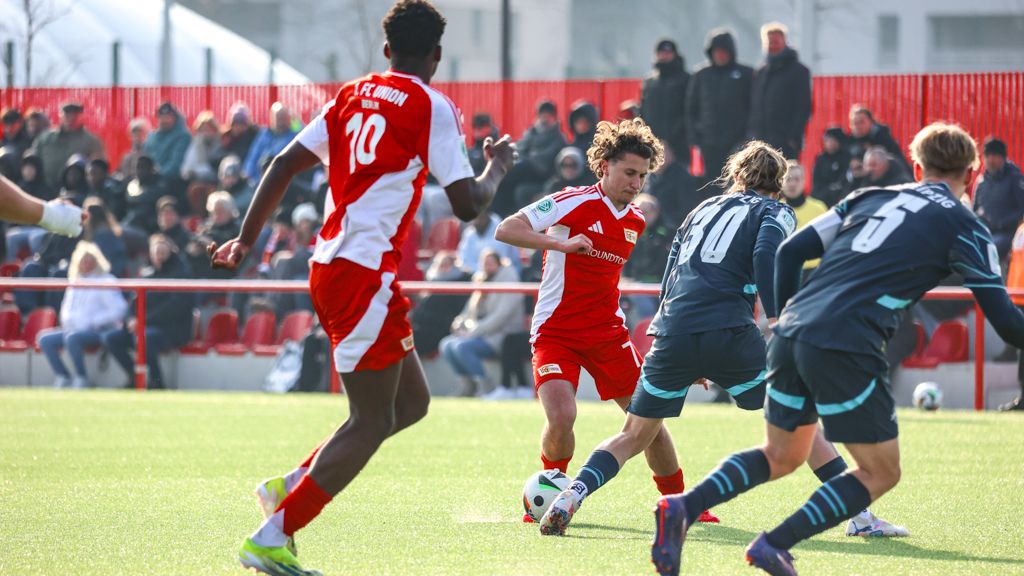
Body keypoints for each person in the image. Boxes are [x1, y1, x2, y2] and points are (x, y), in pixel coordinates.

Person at [208, 2, 514, 574]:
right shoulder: (431, 105)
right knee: (370, 421)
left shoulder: (352, 94)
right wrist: (497, 167)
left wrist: (244, 241)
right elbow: (467, 203)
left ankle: (290, 487)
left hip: (335, 266)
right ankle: (273, 534)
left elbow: (281, 164)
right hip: (362, 273)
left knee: (410, 403)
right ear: (437, 55)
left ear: (386, 49)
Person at [650, 122, 1024, 576]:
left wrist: (784, 317)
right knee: (881, 471)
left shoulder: (867, 196)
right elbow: (1007, 321)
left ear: (916, 167)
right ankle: (774, 543)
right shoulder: (967, 226)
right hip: (848, 341)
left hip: (793, 331)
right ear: (973, 173)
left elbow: (789, 253)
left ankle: (683, 506)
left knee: (782, 454)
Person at [539, 141, 900, 541]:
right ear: (779, 183)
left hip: (673, 332)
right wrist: (777, 316)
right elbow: (766, 253)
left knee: (633, 435)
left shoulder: (703, 208)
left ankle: (573, 493)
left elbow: (672, 268)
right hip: (729, 331)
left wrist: (666, 329)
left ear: (737, 175)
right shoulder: (777, 211)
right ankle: (859, 515)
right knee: (800, 419)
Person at [494, 118, 693, 526]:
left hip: (608, 335)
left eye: (643, 175)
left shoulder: (636, 221)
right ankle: (553, 491)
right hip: (556, 332)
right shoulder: (572, 201)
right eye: (629, 173)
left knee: (648, 422)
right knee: (562, 416)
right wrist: (558, 243)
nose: (636, 183)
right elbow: (506, 228)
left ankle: (681, 503)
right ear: (604, 166)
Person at [101, 234, 194, 390]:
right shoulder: (146, 274)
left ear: (170, 253)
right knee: (111, 338)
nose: (159, 257)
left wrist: (142, 321)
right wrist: (130, 319)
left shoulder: (181, 274)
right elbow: (132, 303)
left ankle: (157, 382)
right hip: (144, 326)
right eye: (157, 253)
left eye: (163, 253)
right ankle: (134, 377)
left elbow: (174, 308)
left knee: (145, 338)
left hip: (172, 330)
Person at [37, 242, 127, 389]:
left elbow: (119, 309)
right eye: (83, 260)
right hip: (73, 329)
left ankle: (82, 377)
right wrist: (67, 321)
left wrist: (94, 321)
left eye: (90, 260)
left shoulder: (106, 281)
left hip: (97, 330)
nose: (86, 264)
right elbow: (66, 308)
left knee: (72, 338)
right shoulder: (74, 281)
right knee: (44, 339)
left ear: (97, 261)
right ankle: (63, 376)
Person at [440, 250, 524, 397]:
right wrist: (459, 324)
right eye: (484, 263)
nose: (487, 266)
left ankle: (486, 386)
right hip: (479, 334)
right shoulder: (482, 280)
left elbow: (500, 317)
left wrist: (472, 332)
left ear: (499, 264)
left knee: (462, 347)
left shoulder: (509, 281)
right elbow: (468, 311)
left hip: (501, 336)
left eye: (491, 263)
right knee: (446, 344)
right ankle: (468, 386)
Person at [685, 28, 752, 182]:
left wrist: (747, 136)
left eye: (724, 51)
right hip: (708, 142)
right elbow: (691, 108)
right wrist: (694, 136)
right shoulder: (701, 75)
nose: (720, 55)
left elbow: (753, 107)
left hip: (737, 141)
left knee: (736, 180)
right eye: (717, 51)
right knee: (711, 181)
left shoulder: (746, 74)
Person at [492, 100, 567, 217]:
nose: (545, 118)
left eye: (548, 115)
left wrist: (526, 158)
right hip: (526, 170)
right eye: (542, 114)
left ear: (554, 117)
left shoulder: (558, 137)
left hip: (541, 174)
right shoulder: (531, 133)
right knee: (503, 176)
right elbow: (518, 148)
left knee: (511, 173)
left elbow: (544, 161)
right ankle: (498, 214)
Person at [749, 23, 812, 160]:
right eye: (769, 42)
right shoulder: (761, 72)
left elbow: (804, 107)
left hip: (786, 142)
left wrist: (793, 137)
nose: (772, 46)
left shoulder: (799, 71)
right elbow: (754, 106)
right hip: (761, 141)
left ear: (785, 42)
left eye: (776, 42)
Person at [31, 102, 105, 188]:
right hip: (44, 188)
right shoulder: (46, 138)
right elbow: (32, 161)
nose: (71, 118)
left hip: (77, 191)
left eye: (75, 115)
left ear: (81, 116)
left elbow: (99, 168)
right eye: (67, 115)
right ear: (60, 115)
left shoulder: (91, 141)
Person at [972, 137, 1024, 261]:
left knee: (989, 249)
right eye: (987, 155)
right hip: (984, 231)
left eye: (994, 155)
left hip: (1007, 233)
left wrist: (1004, 223)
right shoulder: (981, 180)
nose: (990, 159)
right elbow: (974, 210)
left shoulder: (1015, 178)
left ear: (1003, 158)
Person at [641, 39, 689, 168]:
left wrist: (671, 138)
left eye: (668, 53)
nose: (664, 56)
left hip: (679, 143)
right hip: (653, 141)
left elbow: (689, 111)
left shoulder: (686, 79)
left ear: (675, 54)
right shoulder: (650, 81)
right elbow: (644, 109)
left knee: (680, 174)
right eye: (661, 53)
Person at [780, 160, 828, 276]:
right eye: (788, 179)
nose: (792, 184)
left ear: (804, 181)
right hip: (785, 270)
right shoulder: (775, 210)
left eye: (796, 179)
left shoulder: (819, 209)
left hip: (815, 272)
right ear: (781, 182)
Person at [243, 102, 299, 181]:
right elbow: (253, 156)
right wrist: (249, 174)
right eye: (278, 118)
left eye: (283, 118)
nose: (281, 122)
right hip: (257, 179)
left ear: (289, 119)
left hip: (279, 179)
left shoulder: (293, 137)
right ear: (272, 119)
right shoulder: (264, 134)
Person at [848, 105, 911, 174]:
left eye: (862, 122)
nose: (858, 126)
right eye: (854, 123)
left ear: (871, 122)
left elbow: (897, 163)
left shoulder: (883, 139)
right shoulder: (850, 142)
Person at [456, 209, 521, 274]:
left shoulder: (503, 232)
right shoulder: (469, 234)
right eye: (475, 218)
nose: (478, 221)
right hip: (475, 277)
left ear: (488, 215)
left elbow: (511, 262)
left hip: (503, 276)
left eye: (481, 218)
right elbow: (464, 262)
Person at [144, 102, 192, 183]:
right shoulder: (152, 137)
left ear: (175, 118)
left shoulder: (183, 136)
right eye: (161, 117)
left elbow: (176, 164)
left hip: (172, 181)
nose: (164, 120)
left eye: (168, 117)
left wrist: (156, 177)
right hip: (151, 179)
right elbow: (145, 158)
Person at [811, 127, 851, 208]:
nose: (829, 143)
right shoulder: (820, 159)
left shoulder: (846, 157)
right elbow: (816, 182)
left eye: (832, 140)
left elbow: (845, 180)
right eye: (827, 140)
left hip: (840, 197)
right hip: (822, 196)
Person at [181, 111, 223, 183]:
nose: (206, 133)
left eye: (209, 129)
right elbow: (187, 167)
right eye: (203, 130)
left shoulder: (220, 143)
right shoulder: (196, 145)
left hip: (215, 179)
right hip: (197, 179)